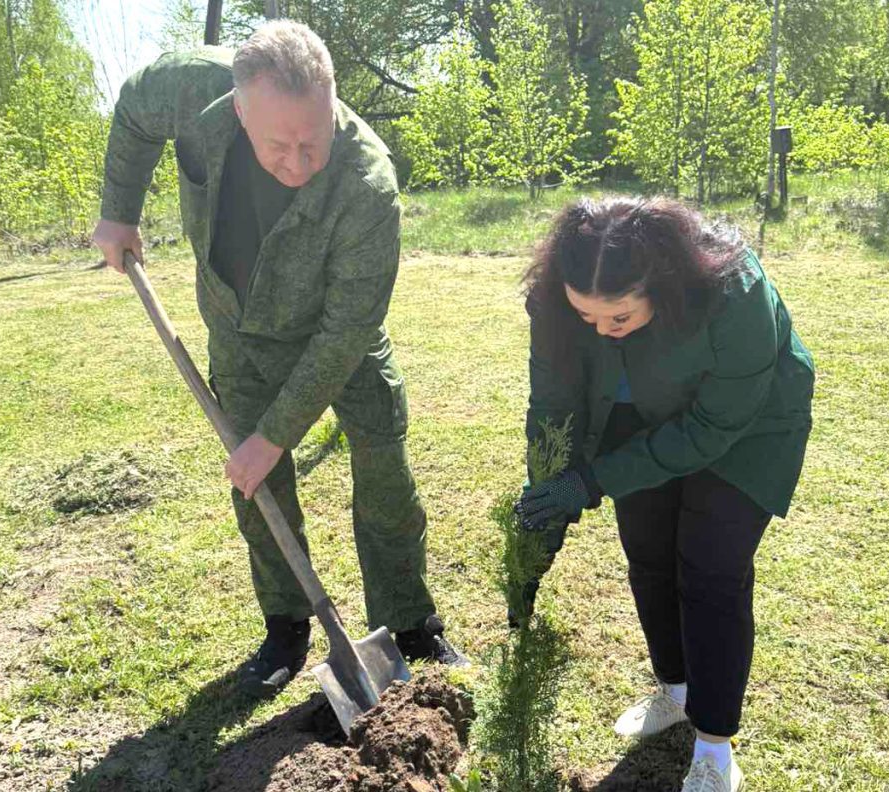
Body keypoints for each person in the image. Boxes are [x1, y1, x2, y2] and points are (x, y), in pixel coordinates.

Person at [92, 20, 466, 699]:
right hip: (237, 332)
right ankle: (286, 626)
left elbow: (347, 329)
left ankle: (410, 624)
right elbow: (133, 112)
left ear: (333, 104)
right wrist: (118, 211)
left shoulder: (366, 184)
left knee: (384, 473)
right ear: (239, 109)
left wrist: (274, 434)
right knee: (258, 491)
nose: (297, 163)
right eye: (277, 145)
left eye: (312, 141)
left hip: (338, 345)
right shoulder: (188, 87)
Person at [517, 196, 814, 792]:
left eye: (618, 319)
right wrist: (549, 494)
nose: (601, 331)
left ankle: (714, 745)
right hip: (635, 412)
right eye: (587, 318)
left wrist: (595, 479)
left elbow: (711, 429)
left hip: (746, 428)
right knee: (648, 553)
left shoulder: (735, 289)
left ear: (661, 283)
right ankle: (675, 692)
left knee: (709, 568)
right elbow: (553, 401)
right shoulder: (557, 298)